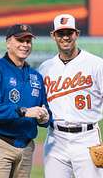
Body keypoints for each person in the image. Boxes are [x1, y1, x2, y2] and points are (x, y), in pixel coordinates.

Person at [0, 24, 51, 178]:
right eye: (20, 40)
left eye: (28, 41)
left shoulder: (35, 76)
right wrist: (23, 111)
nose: (25, 45)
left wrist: (45, 118)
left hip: (26, 147)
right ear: (8, 43)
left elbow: (45, 109)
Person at [39, 14, 103, 178]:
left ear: (77, 34)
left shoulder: (96, 64)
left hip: (87, 139)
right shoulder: (45, 68)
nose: (65, 37)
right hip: (55, 139)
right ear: (53, 35)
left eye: (69, 32)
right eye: (61, 33)